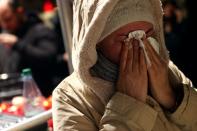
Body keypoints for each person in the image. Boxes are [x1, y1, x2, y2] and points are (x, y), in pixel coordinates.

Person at [52, 0, 197, 130]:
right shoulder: (70, 97)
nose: (141, 45)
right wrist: (128, 105)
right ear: (94, 44)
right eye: (126, 39)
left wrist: (171, 97)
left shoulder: (166, 71)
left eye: (148, 35)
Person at [0, 0, 68, 97]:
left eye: (8, 19)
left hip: (45, 96)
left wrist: (17, 44)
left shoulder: (40, 30)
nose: (5, 25)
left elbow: (49, 58)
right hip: (14, 100)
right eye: (1, 21)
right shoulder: (5, 35)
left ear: (19, 12)